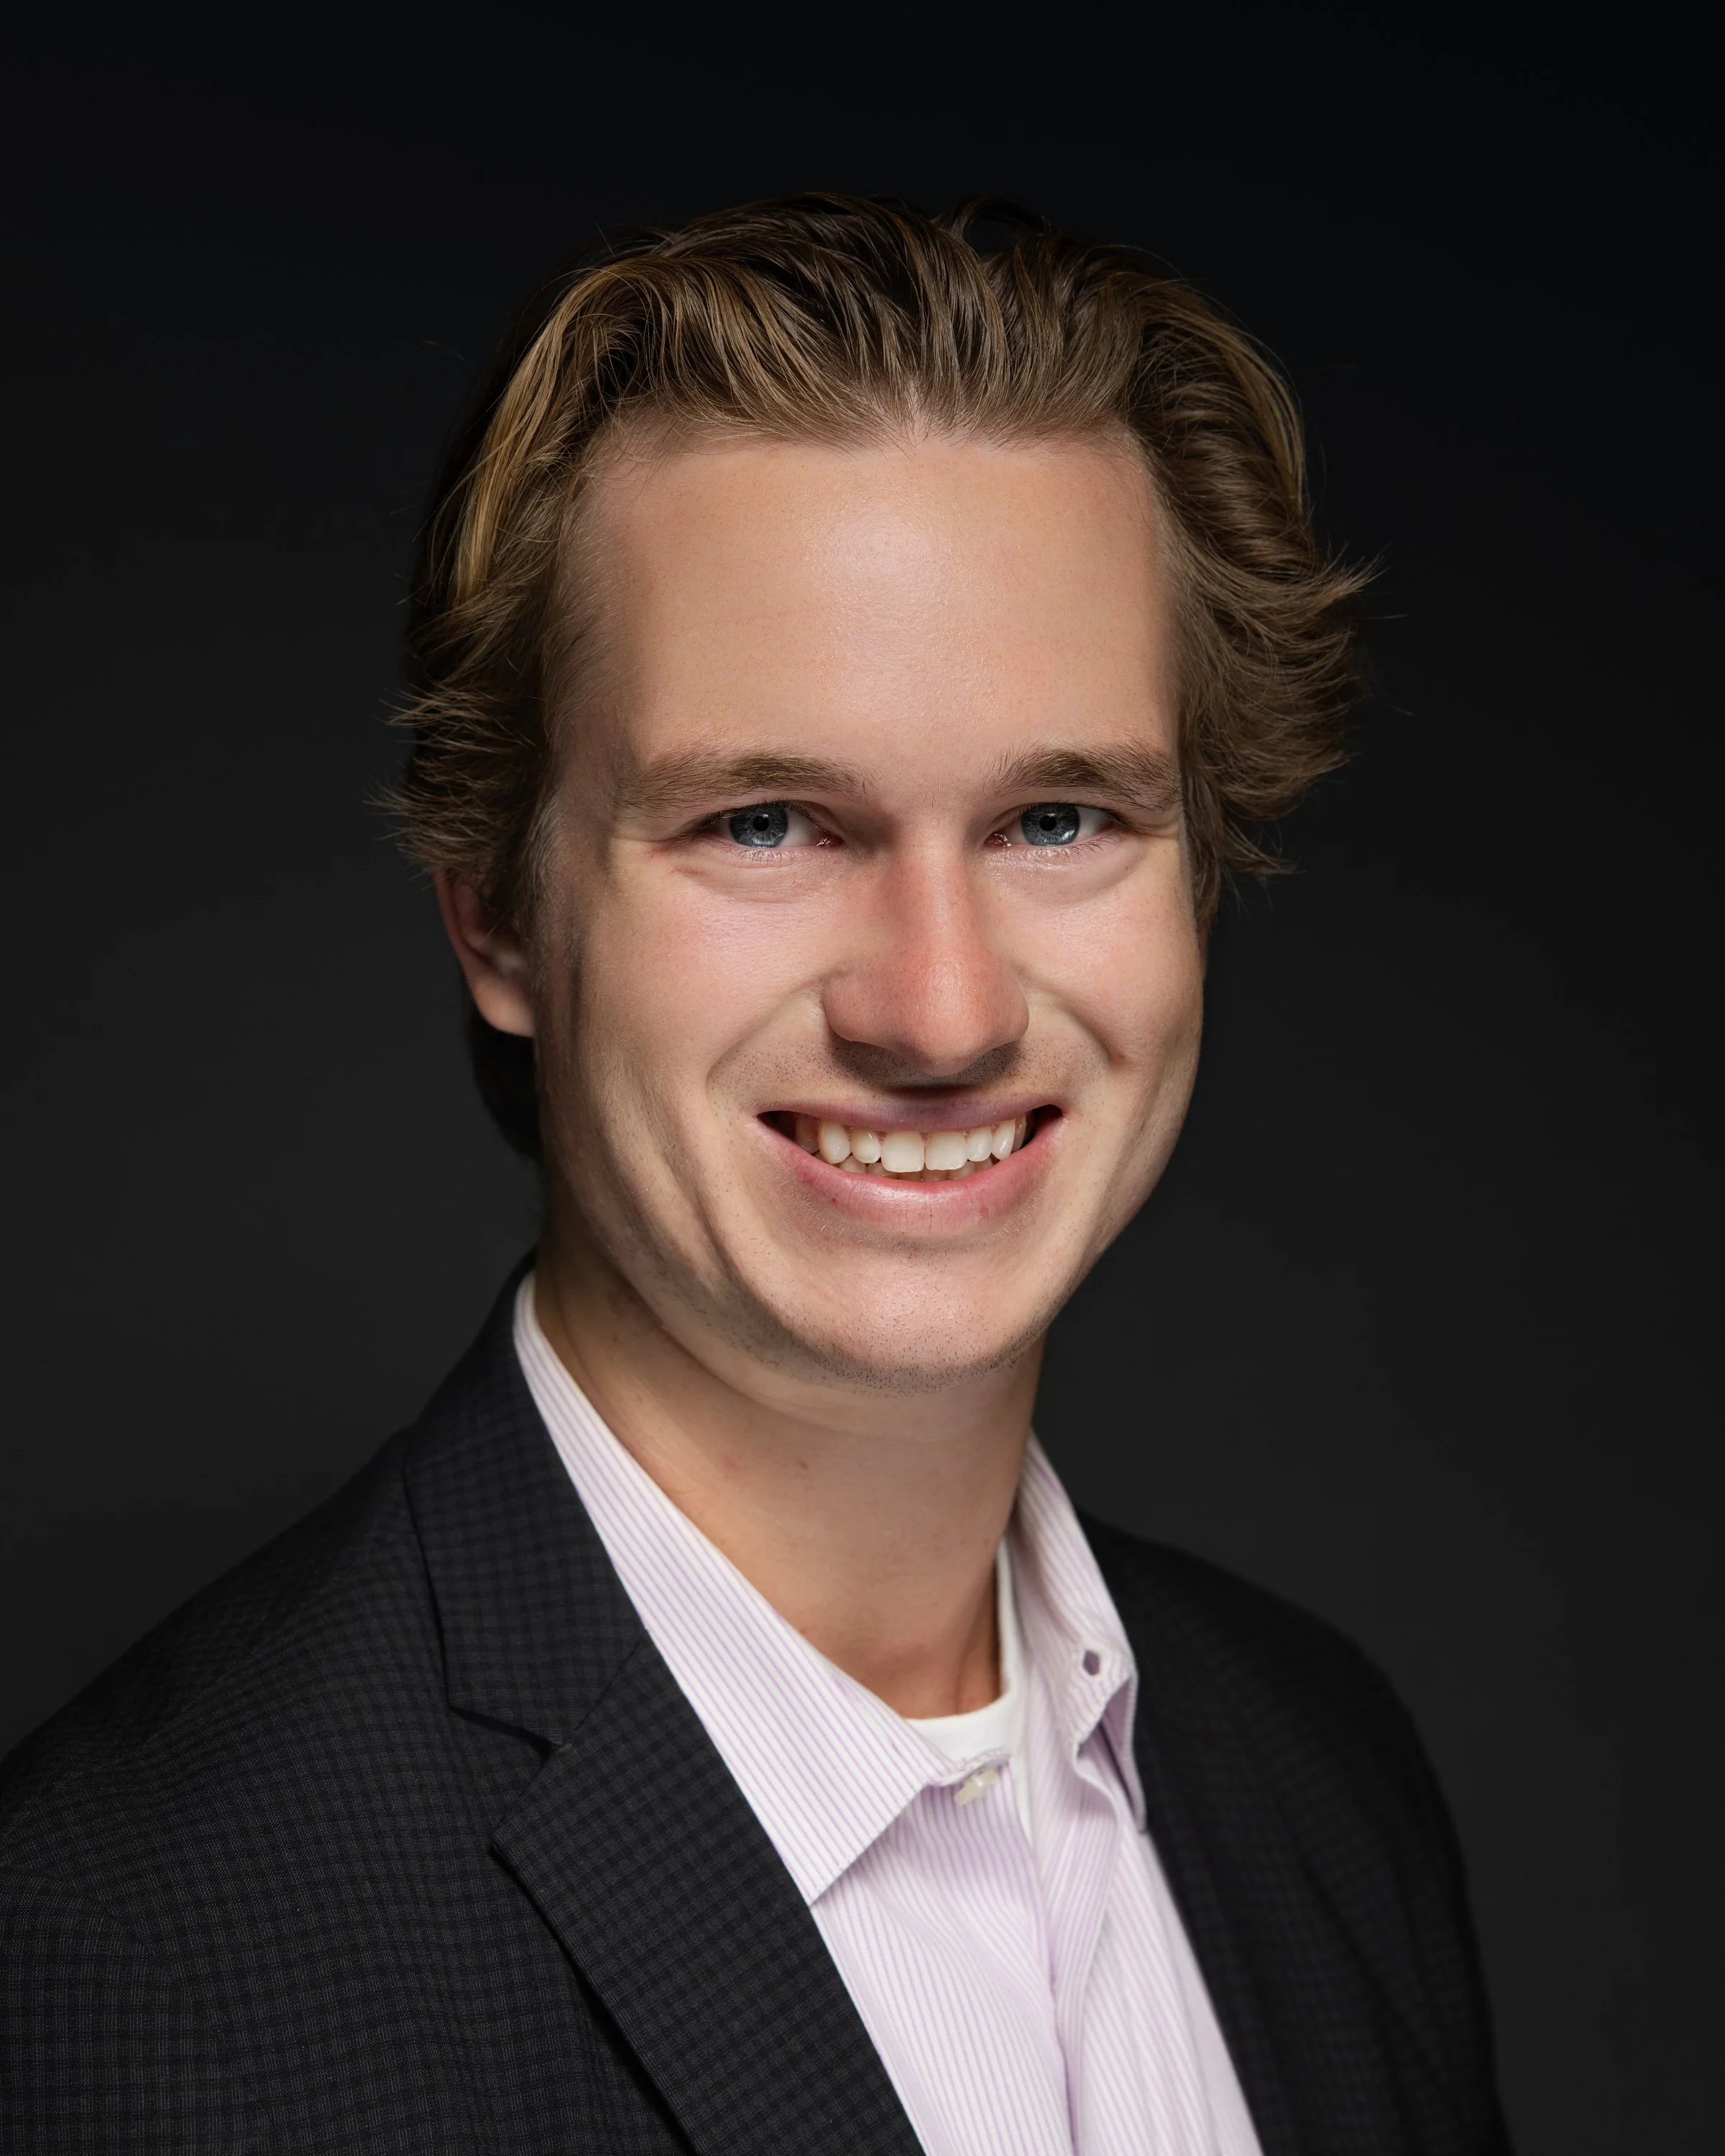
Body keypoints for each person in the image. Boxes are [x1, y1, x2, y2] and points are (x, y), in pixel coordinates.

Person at [0, 195, 1510, 2153]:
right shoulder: (126, 1967)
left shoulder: (1316, 1770)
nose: (942, 1007)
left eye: (1062, 816)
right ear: (498, 916)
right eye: (770, 821)